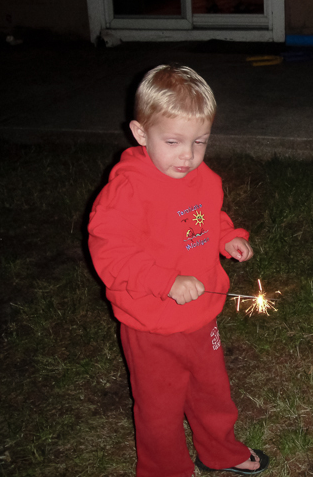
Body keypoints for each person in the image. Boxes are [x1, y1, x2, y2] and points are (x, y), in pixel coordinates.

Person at [88, 65, 269, 477]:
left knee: (213, 392)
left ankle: (218, 451)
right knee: (159, 408)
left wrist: (227, 237)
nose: (187, 155)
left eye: (199, 142)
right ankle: (165, 469)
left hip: (200, 317)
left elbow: (205, 218)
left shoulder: (202, 178)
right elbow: (110, 253)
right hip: (150, 325)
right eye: (173, 142)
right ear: (139, 133)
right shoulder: (128, 191)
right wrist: (166, 282)